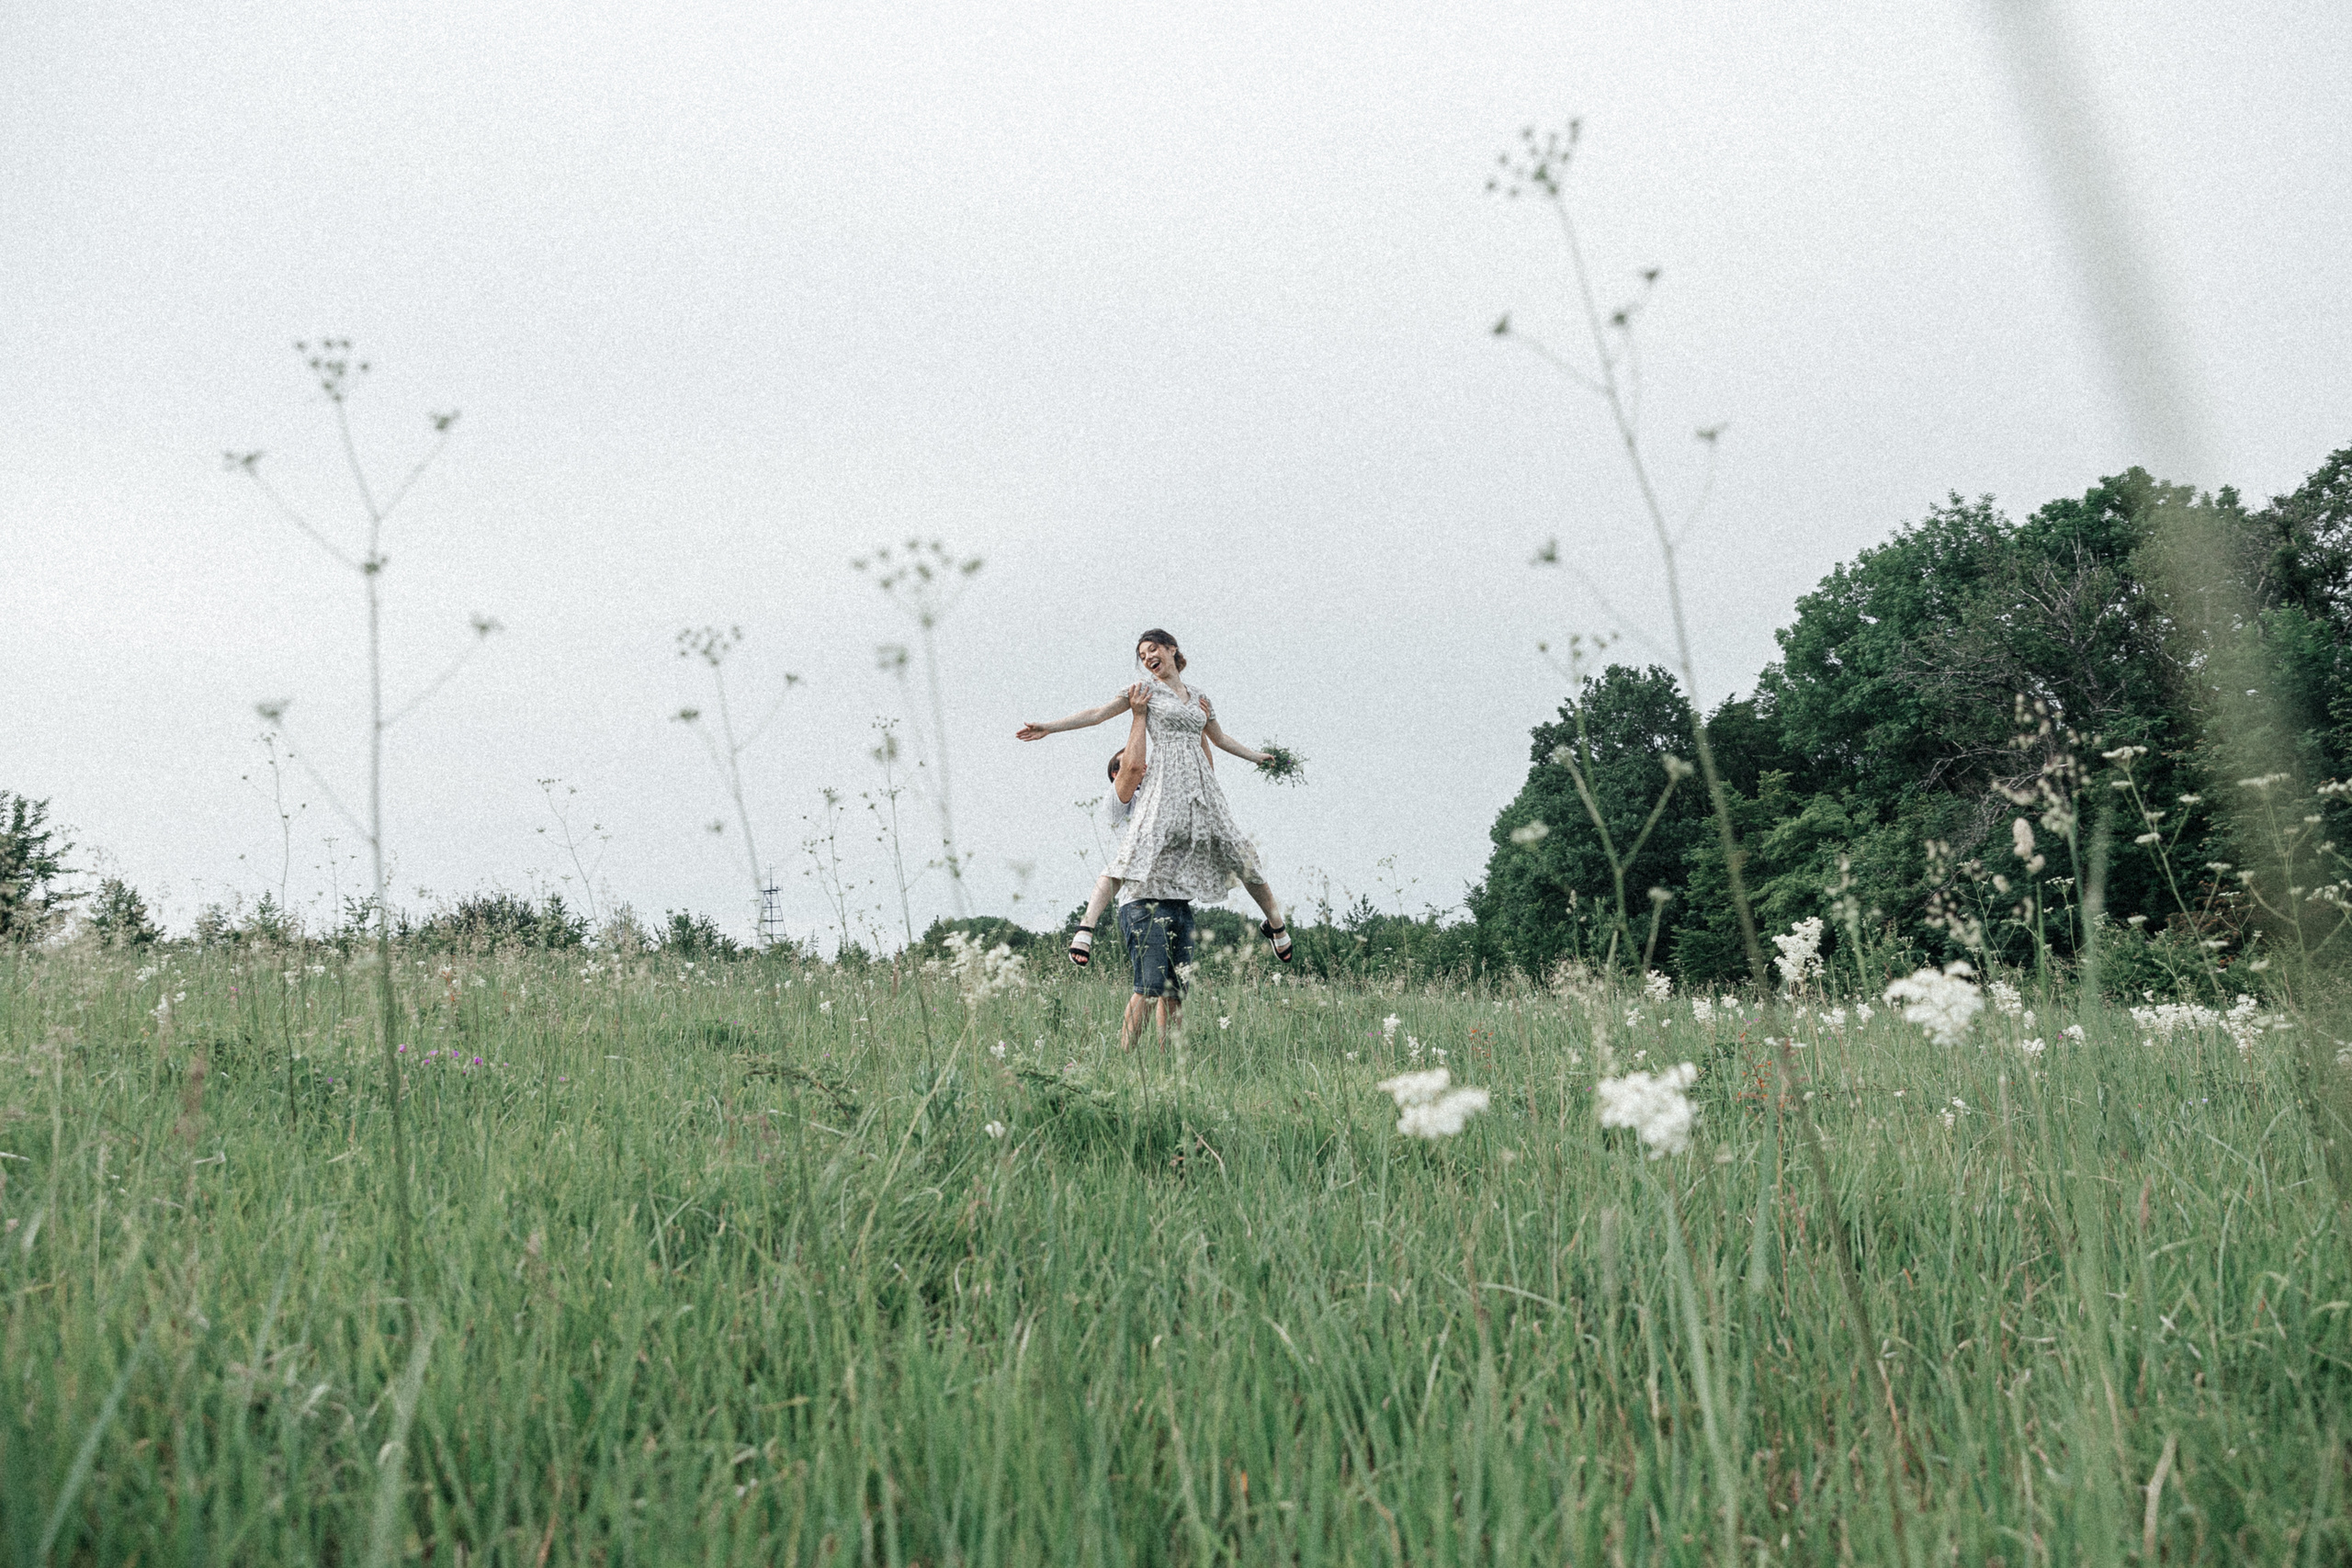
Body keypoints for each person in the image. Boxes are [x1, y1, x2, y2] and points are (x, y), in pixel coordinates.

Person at [1016, 628, 1294, 987]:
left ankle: (1275, 924)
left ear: (1171, 649)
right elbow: (1098, 713)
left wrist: (1257, 757)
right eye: (1142, 655)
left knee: (1236, 847)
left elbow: (1219, 739)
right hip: (1164, 781)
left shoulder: (1199, 697)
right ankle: (1086, 928)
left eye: (1153, 650)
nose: (1147, 658)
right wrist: (1049, 727)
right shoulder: (1142, 691)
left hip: (1201, 785)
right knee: (1139, 847)